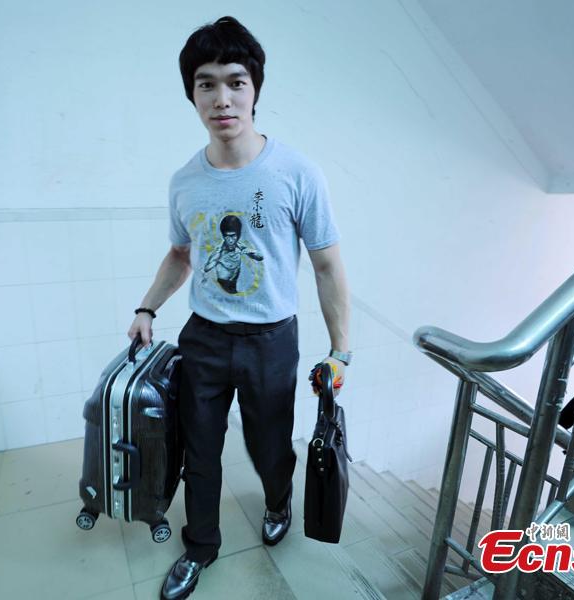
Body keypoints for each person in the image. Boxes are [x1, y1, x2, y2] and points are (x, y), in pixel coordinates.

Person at [125, 16, 351, 600]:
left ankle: (278, 500)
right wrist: (147, 308)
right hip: (204, 336)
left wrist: (341, 351)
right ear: (192, 94)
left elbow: (327, 266)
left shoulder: (297, 173)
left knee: (270, 448)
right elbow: (181, 255)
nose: (221, 98)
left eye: (235, 82)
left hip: (271, 340)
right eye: (206, 84)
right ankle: (199, 547)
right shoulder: (185, 181)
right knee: (199, 451)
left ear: (255, 89)